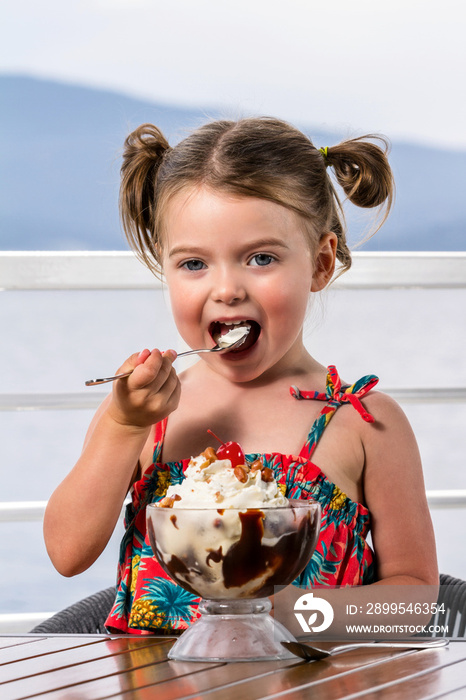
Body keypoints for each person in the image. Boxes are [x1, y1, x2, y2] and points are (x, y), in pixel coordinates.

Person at [43, 117, 438, 635]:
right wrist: (122, 427)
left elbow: (415, 603)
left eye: (260, 258)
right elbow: (67, 553)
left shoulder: (364, 423)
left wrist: (296, 615)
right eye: (193, 264)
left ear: (321, 264)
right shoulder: (146, 414)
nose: (226, 289)